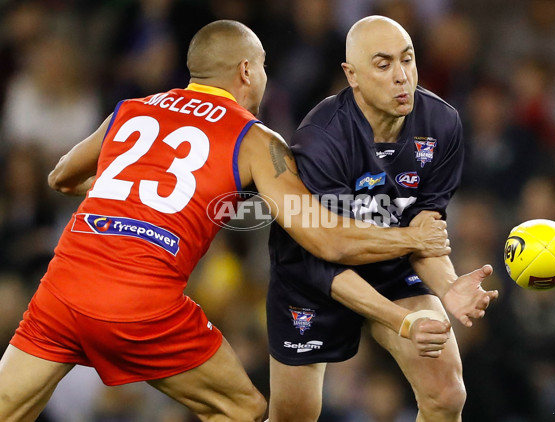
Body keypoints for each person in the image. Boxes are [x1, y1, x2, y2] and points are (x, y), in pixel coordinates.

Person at [0, 20, 453, 422]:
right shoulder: (255, 138)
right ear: (246, 72)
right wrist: (409, 237)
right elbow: (326, 240)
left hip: (62, 287)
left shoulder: (133, 108)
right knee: (243, 408)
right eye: (263, 71)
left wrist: (135, 184)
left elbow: (61, 177)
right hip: (141, 300)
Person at [267, 16, 499, 422]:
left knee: (447, 396)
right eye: (383, 64)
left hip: (391, 270)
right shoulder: (320, 139)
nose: (401, 77)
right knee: (294, 416)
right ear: (351, 75)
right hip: (313, 278)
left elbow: (426, 233)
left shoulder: (442, 123)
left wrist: (449, 287)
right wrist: (403, 320)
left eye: (407, 60)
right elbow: (330, 252)